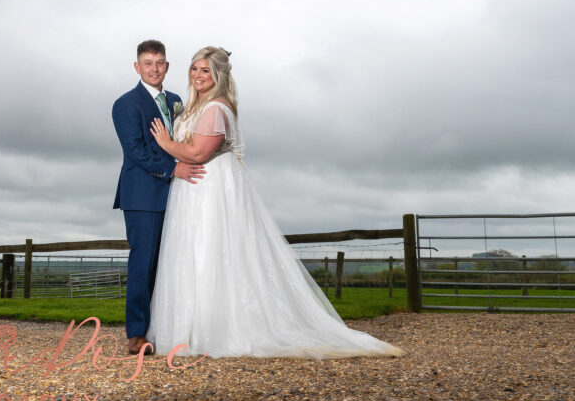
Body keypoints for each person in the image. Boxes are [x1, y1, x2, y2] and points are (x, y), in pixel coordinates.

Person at [146, 46, 403, 359]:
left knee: (211, 248)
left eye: (205, 71)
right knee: (194, 250)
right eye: (195, 69)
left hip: (210, 186)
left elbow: (199, 153)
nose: (198, 75)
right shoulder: (193, 106)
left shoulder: (216, 108)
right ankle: (192, 326)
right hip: (192, 186)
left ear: (219, 76)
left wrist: (166, 143)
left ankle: (216, 328)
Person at [112, 40, 205, 356]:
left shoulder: (177, 101)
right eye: (147, 63)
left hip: (181, 196)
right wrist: (172, 169)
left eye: (160, 62)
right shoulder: (125, 104)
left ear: (167, 66)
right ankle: (137, 334)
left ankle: (168, 328)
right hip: (143, 196)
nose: (154, 68)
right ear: (137, 67)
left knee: (175, 263)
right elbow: (135, 152)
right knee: (144, 264)